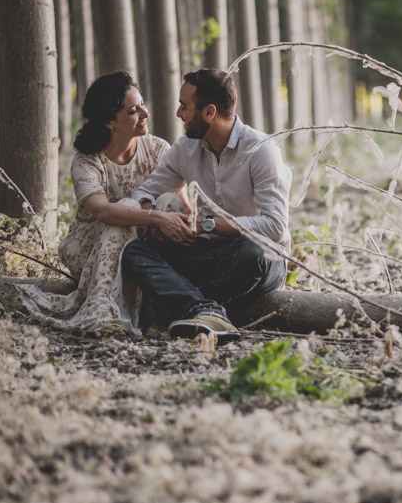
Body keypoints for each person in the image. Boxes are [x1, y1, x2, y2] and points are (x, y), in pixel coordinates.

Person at [17, 72, 194, 335]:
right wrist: (156, 218)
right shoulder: (86, 161)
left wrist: (175, 226)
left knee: (169, 201)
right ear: (110, 122)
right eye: (133, 111)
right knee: (128, 206)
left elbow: (183, 208)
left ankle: (162, 304)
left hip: (143, 245)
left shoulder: (158, 149)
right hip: (89, 248)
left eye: (142, 104)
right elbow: (102, 210)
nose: (145, 113)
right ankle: (101, 311)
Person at [122, 68, 291, 344]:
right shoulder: (184, 149)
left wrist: (208, 224)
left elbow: (275, 226)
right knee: (136, 252)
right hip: (206, 254)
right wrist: (158, 220)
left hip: (255, 259)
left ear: (209, 112)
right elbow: (146, 192)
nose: (178, 113)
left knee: (254, 251)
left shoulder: (261, 150)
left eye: (184, 106)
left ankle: (182, 304)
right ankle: (206, 310)